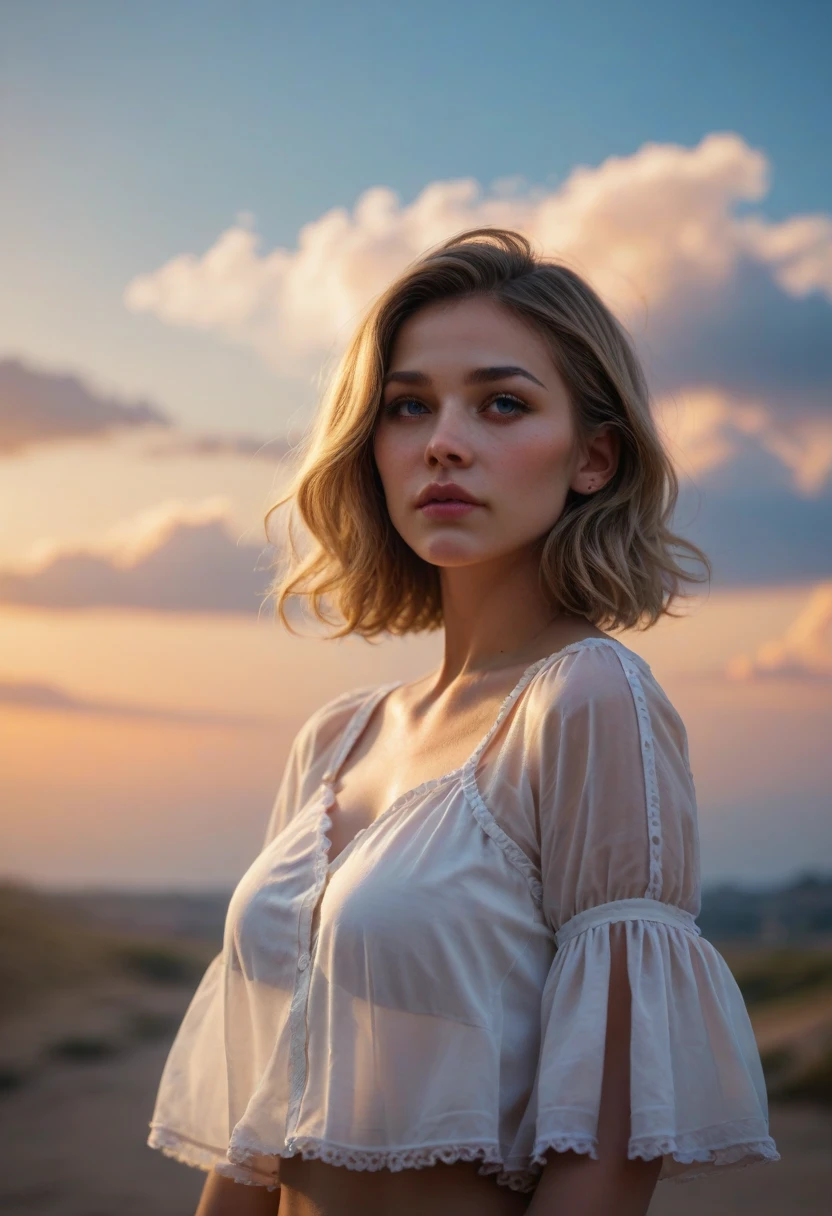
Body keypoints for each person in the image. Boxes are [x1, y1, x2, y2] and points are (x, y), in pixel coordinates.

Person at [147, 227, 779, 1216]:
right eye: (408, 406)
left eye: (502, 403)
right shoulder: (336, 737)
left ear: (592, 456)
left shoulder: (588, 699)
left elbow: (607, 1150)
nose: (443, 439)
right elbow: (257, 1124)